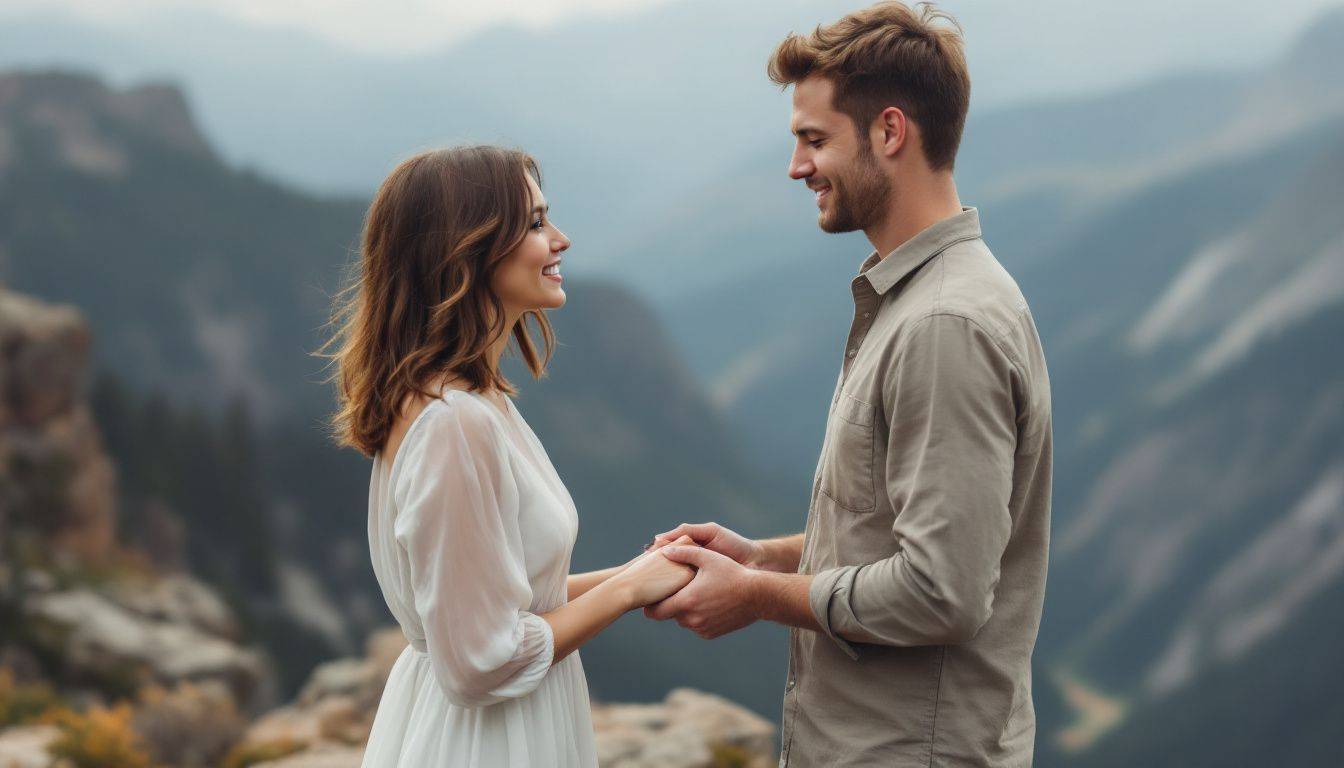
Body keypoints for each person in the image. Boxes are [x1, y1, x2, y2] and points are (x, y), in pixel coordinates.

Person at [646, 3, 1053, 765]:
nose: (797, 167)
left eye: (814, 139)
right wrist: (764, 557)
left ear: (890, 132)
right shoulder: (917, 300)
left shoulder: (944, 325)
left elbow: (942, 590)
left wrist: (757, 597)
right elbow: (900, 524)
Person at [324, 145, 698, 767]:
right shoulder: (454, 423)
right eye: (533, 223)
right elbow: (479, 663)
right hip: (487, 743)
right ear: (465, 248)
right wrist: (630, 589)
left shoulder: (464, 401)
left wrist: (649, 567)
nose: (560, 239)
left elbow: (504, 598)